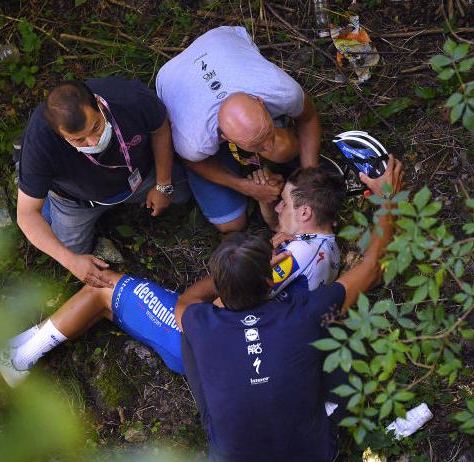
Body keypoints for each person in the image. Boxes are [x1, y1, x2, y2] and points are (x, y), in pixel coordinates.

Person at [0, 166, 346, 385]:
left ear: (307, 213)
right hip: (251, 356)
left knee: (107, 286)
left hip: (213, 349)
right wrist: (271, 213)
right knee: (116, 303)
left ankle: (17, 361)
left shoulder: (290, 258)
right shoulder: (327, 250)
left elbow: (228, 301)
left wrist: (189, 303)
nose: (278, 203)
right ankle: (16, 348)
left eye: (285, 199)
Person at [173, 156, 403, 461]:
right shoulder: (304, 312)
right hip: (312, 453)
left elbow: (185, 304)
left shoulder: (203, 322)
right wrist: (388, 196)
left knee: (188, 337)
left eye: (283, 202)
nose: (279, 207)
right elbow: (372, 267)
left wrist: (228, 276)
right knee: (343, 327)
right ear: (272, 280)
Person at [17, 78, 190, 288]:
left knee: (182, 191)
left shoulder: (129, 97)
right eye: (78, 140)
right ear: (60, 135)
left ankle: (32, 182)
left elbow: (159, 128)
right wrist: (71, 261)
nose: (93, 142)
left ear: (99, 103)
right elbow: (26, 215)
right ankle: (32, 183)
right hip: (76, 201)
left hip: (139, 176)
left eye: (96, 127)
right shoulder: (40, 142)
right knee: (69, 250)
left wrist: (163, 183)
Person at [155, 26, 323, 233]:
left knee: (282, 149)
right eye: (257, 144)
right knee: (231, 224)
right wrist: (245, 186)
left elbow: (308, 117)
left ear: (260, 102)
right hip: (171, 75)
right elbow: (192, 162)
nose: (267, 145)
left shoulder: (281, 90)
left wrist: (309, 179)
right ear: (224, 137)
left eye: (266, 133)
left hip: (220, 38)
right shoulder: (195, 141)